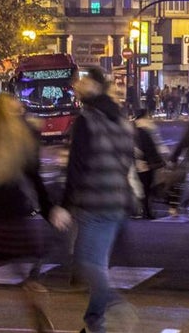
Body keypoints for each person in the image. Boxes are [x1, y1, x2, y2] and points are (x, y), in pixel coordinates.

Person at [0, 94, 70, 333]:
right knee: (25, 272)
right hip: (15, 217)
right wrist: (50, 210)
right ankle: (39, 318)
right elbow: (35, 181)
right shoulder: (23, 141)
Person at [63, 67, 136, 333]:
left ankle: (111, 304)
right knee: (98, 263)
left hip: (92, 201)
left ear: (95, 86)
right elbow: (128, 162)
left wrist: (65, 204)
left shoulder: (86, 120)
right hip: (116, 200)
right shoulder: (122, 121)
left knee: (87, 262)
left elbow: (76, 166)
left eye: (83, 81)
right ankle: (94, 321)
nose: (77, 85)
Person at [132, 109, 165, 219]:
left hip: (139, 163)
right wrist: (158, 161)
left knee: (141, 188)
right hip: (145, 163)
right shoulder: (146, 129)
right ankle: (146, 211)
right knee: (146, 188)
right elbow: (150, 148)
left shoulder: (134, 129)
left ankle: (142, 210)